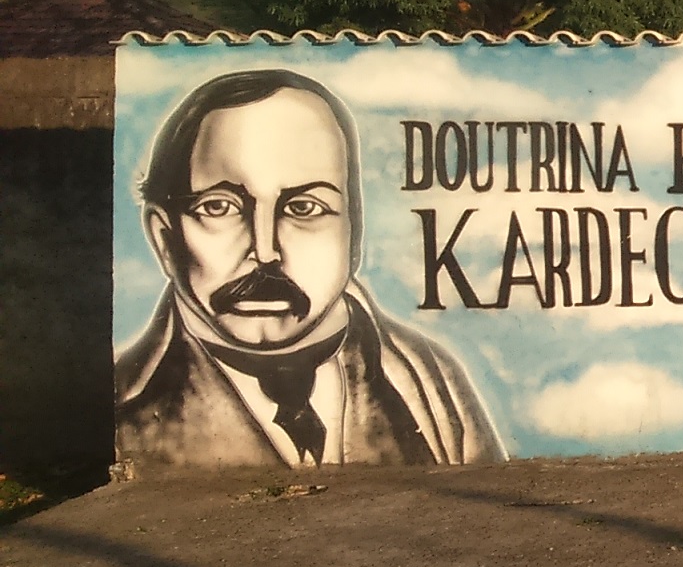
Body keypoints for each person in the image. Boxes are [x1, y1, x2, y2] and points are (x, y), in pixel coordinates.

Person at [115, 68, 503, 470]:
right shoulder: (123, 402)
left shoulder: (430, 382)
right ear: (164, 238)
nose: (266, 252)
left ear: (353, 233)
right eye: (220, 207)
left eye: (304, 208)